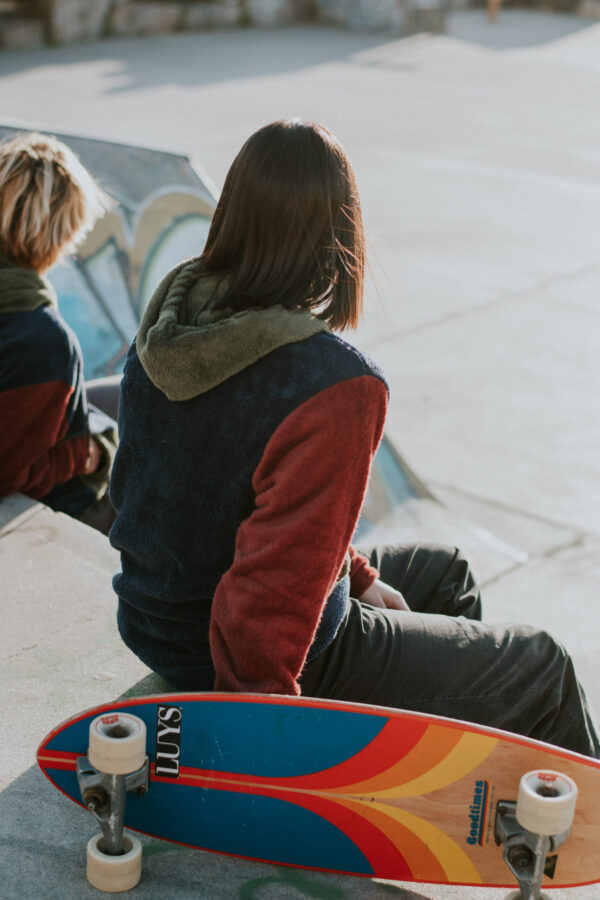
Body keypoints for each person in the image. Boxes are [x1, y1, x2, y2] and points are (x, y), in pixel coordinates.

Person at [109, 120, 599, 758]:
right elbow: (269, 589)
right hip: (255, 657)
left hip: (157, 620)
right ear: (338, 235)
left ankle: (435, 777)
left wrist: (359, 576)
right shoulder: (334, 385)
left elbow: (185, 504)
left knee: (446, 573)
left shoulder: (168, 329)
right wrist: (255, 728)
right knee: (545, 669)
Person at [0, 132, 118, 534]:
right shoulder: (43, 341)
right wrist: (87, 454)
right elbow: (9, 472)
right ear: (64, 234)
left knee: (120, 396)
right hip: (56, 512)